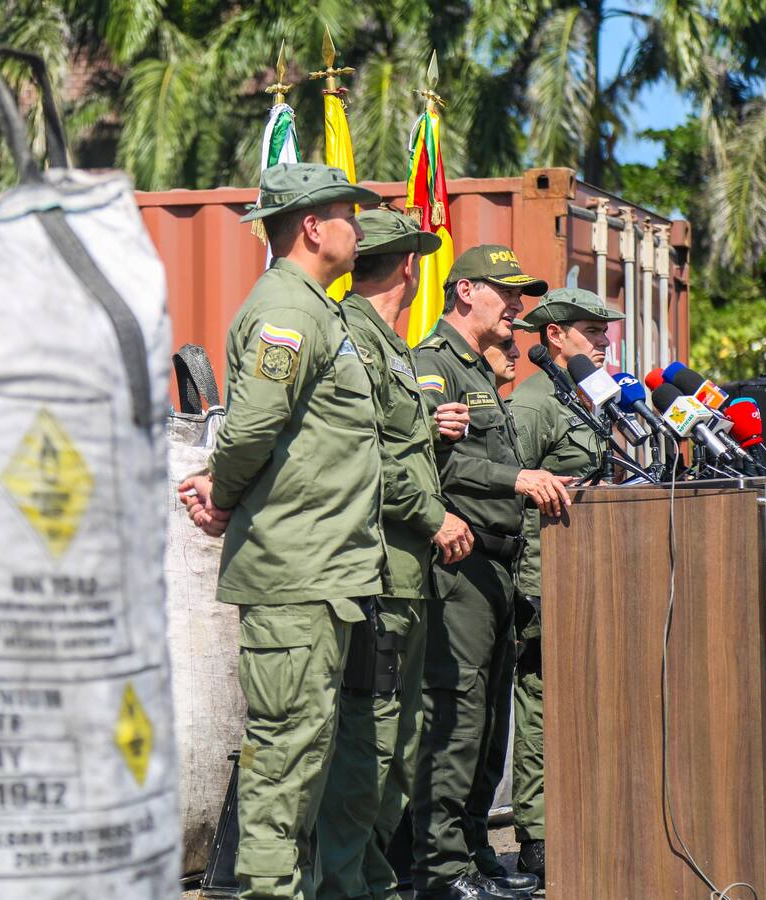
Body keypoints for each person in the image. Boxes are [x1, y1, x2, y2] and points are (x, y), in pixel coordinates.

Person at [178, 162, 386, 900]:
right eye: (348, 215)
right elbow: (256, 423)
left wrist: (227, 489)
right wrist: (224, 493)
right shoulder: (287, 313)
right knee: (284, 761)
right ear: (311, 226)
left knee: (322, 760)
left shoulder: (316, 309)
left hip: (332, 572)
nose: (360, 229)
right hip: (298, 574)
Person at [315, 208, 475, 900]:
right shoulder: (357, 338)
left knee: (399, 749)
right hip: (376, 574)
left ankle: (373, 881)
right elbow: (368, 455)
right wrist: (433, 512)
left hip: (404, 578)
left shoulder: (386, 343)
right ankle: (345, 886)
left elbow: (396, 440)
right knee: (370, 750)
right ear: (409, 266)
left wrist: (432, 433)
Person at [410, 245, 573, 900]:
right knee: (457, 718)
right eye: (506, 291)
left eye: (522, 294)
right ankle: (441, 869)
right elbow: (436, 469)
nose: (518, 305)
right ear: (464, 290)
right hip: (459, 568)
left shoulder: (481, 374)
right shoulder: (433, 367)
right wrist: (517, 476)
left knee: (488, 730)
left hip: (498, 569)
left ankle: (475, 854)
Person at [504, 288, 623, 884]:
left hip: (589, 574)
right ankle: (539, 833)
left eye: (604, 331)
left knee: (585, 701)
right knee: (544, 703)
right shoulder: (534, 403)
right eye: (591, 330)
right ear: (556, 336)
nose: (604, 341)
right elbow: (508, 488)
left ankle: (584, 815)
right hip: (542, 579)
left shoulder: (589, 399)